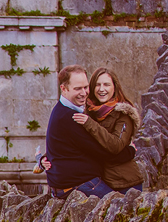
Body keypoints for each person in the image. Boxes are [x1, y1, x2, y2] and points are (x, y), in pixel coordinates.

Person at [44, 64, 136, 199]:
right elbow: (101, 152)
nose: (84, 93)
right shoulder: (71, 117)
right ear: (64, 89)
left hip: (74, 182)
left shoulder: (63, 110)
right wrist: (130, 152)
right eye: (77, 89)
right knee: (121, 207)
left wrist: (43, 159)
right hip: (79, 183)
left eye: (86, 87)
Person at [71, 67, 143, 194]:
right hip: (99, 183)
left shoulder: (123, 114)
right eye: (97, 85)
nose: (101, 89)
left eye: (106, 84)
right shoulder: (87, 112)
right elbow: (69, 140)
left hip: (125, 183)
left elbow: (115, 145)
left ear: (114, 87)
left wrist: (90, 124)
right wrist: (45, 158)